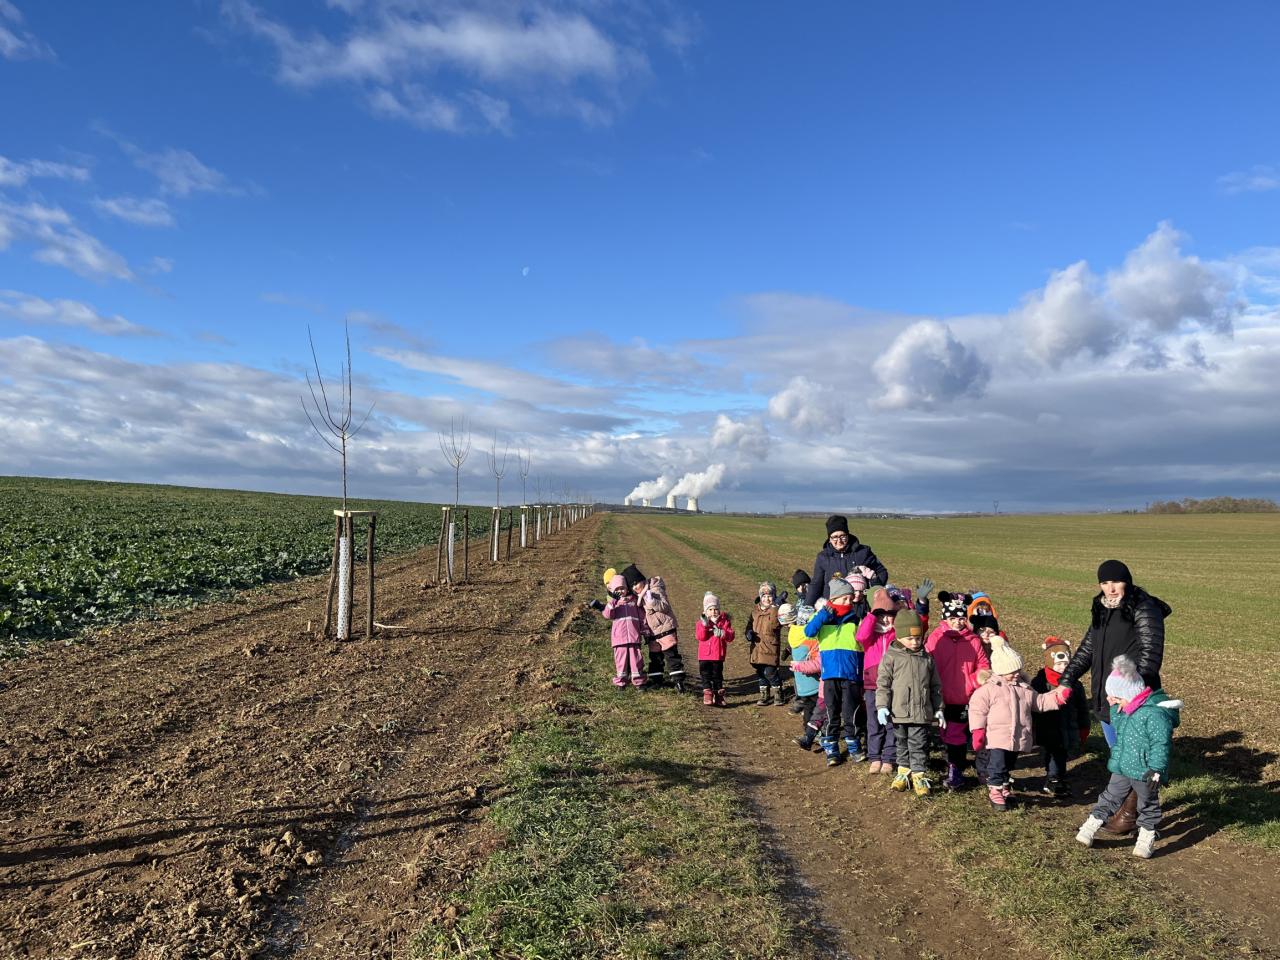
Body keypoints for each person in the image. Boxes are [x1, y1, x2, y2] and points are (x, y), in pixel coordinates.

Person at [1075, 655, 1182, 858]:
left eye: (1115, 697)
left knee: (1147, 804)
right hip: (1122, 767)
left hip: (1145, 771)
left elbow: (1161, 745)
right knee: (1109, 797)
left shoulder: (1155, 715)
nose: (1111, 700)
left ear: (1130, 694)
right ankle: (1089, 828)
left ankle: (1145, 839)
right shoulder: (1126, 709)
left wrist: (1156, 769)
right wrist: (1116, 706)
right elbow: (1118, 729)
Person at [1058, 560, 1171, 748]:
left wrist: (1132, 695)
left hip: (1132, 700)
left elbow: (1150, 656)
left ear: (1127, 581)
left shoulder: (1144, 608)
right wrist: (1066, 680)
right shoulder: (1102, 608)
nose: (1110, 589)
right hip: (1107, 697)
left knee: (1135, 755)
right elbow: (1088, 649)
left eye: (1116, 582)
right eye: (1104, 583)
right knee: (1117, 752)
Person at [967, 637, 1069, 811]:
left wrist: (1057, 697)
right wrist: (978, 731)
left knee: (1008, 764)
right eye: (1011, 671)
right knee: (997, 764)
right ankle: (995, 789)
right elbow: (977, 710)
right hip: (997, 737)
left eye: (1018, 670)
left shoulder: (1024, 688)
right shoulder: (988, 690)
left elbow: (1039, 702)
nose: (1016, 674)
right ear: (1000, 671)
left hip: (1017, 737)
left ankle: (1004, 786)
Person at [875, 607, 944, 796]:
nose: (915, 642)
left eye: (918, 638)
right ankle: (903, 773)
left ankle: (919, 775)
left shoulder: (927, 658)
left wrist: (939, 708)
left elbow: (935, 685)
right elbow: (883, 684)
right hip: (899, 712)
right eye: (910, 638)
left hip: (921, 713)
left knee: (918, 744)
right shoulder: (891, 657)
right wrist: (882, 706)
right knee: (901, 743)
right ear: (899, 636)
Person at [926, 592, 990, 790]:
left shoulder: (973, 640)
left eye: (961, 618)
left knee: (956, 734)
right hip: (940, 696)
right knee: (945, 732)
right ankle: (950, 762)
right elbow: (927, 663)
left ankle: (956, 770)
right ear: (945, 618)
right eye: (952, 618)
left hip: (963, 697)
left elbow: (983, 665)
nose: (957, 622)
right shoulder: (936, 638)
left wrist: (973, 681)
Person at [803, 577, 866, 766]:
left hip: (851, 674)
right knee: (831, 712)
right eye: (844, 598)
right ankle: (831, 747)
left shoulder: (855, 618)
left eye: (850, 598)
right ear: (834, 598)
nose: (849, 601)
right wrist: (823, 614)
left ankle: (854, 745)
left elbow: (863, 641)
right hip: (830, 674)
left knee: (850, 712)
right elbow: (808, 632)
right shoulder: (823, 618)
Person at [1030, 637, 1090, 796]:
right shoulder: (1040, 683)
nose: (1063, 667)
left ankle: (1057, 776)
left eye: (1066, 664)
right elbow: (1032, 706)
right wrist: (1032, 726)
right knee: (1054, 752)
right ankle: (1053, 778)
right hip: (1048, 727)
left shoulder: (1075, 684)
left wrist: (1084, 727)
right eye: (1059, 664)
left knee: (1061, 753)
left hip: (1068, 727)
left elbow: (1082, 708)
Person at [858, 588, 900, 774]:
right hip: (872, 685)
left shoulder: (896, 635)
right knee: (873, 722)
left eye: (888, 615)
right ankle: (875, 756)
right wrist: (871, 616)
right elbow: (861, 636)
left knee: (892, 722)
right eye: (880, 615)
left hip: (893, 685)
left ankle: (889, 757)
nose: (885, 619)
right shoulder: (870, 636)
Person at [802, 515, 889, 606]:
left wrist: (874, 592)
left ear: (848, 535)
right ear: (829, 539)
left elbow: (881, 572)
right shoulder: (823, 557)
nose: (839, 541)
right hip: (833, 607)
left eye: (842, 536)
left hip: (859, 607)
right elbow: (816, 585)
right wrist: (807, 607)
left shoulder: (863, 552)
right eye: (835, 537)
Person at [786, 603, 825, 749]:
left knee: (808, 707)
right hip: (814, 683)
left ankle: (807, 731)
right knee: (819, 708)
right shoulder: (811, 640)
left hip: (801, 683)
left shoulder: (793, 636)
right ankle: (818, 733)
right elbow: (817, 662)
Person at [601, 573, 647, 689]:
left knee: (636, 660)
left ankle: (639, 681)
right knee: (621, 661)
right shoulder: (614, 603)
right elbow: (607, 615)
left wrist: (645, 630)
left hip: (634, 637)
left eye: (622, 588)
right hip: (619, 639)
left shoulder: (634, 601)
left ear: (627, 589)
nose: (620, 591)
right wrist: (613, 602)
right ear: (613, 591)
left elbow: (642, 617)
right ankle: (621, 681)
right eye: (617, 589)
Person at [641, 576, 686, 693]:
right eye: (632, 585)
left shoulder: (655, 590)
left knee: (671, 656)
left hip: (666, 629)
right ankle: (656, 680)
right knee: (655, 658)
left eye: (637, 583)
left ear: (643, 582)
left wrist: (652, 601)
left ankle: (678, 681)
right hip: (653, 633)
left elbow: (665, 606)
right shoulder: (638, 597)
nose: (635, 587)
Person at [747, 581, 786, 705]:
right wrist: (748, 633)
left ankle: (778, 692)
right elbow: (749, 624)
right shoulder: (755, 611)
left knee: (770, 672)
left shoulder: (777, 611)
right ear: (760, 597)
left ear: (774, 597)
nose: (767, 599)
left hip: (770, 648)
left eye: (770, 596)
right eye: (764, 596)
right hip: (757, 648)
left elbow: (775, 625)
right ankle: (764, 694)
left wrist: (775, 607)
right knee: (760, 673)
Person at [695, 592, 734, 707]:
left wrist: (723, 633)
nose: (713, 612)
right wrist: (705, 625)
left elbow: (731, 636)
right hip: (704, 655)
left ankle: (718, 695)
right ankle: (707, 693)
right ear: (705, 611)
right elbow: (700, 637)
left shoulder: (724, 622)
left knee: (717, 675)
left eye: (715, 609)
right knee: (705, 674)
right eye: (710, 609)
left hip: (717, 655)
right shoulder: (701, 623)